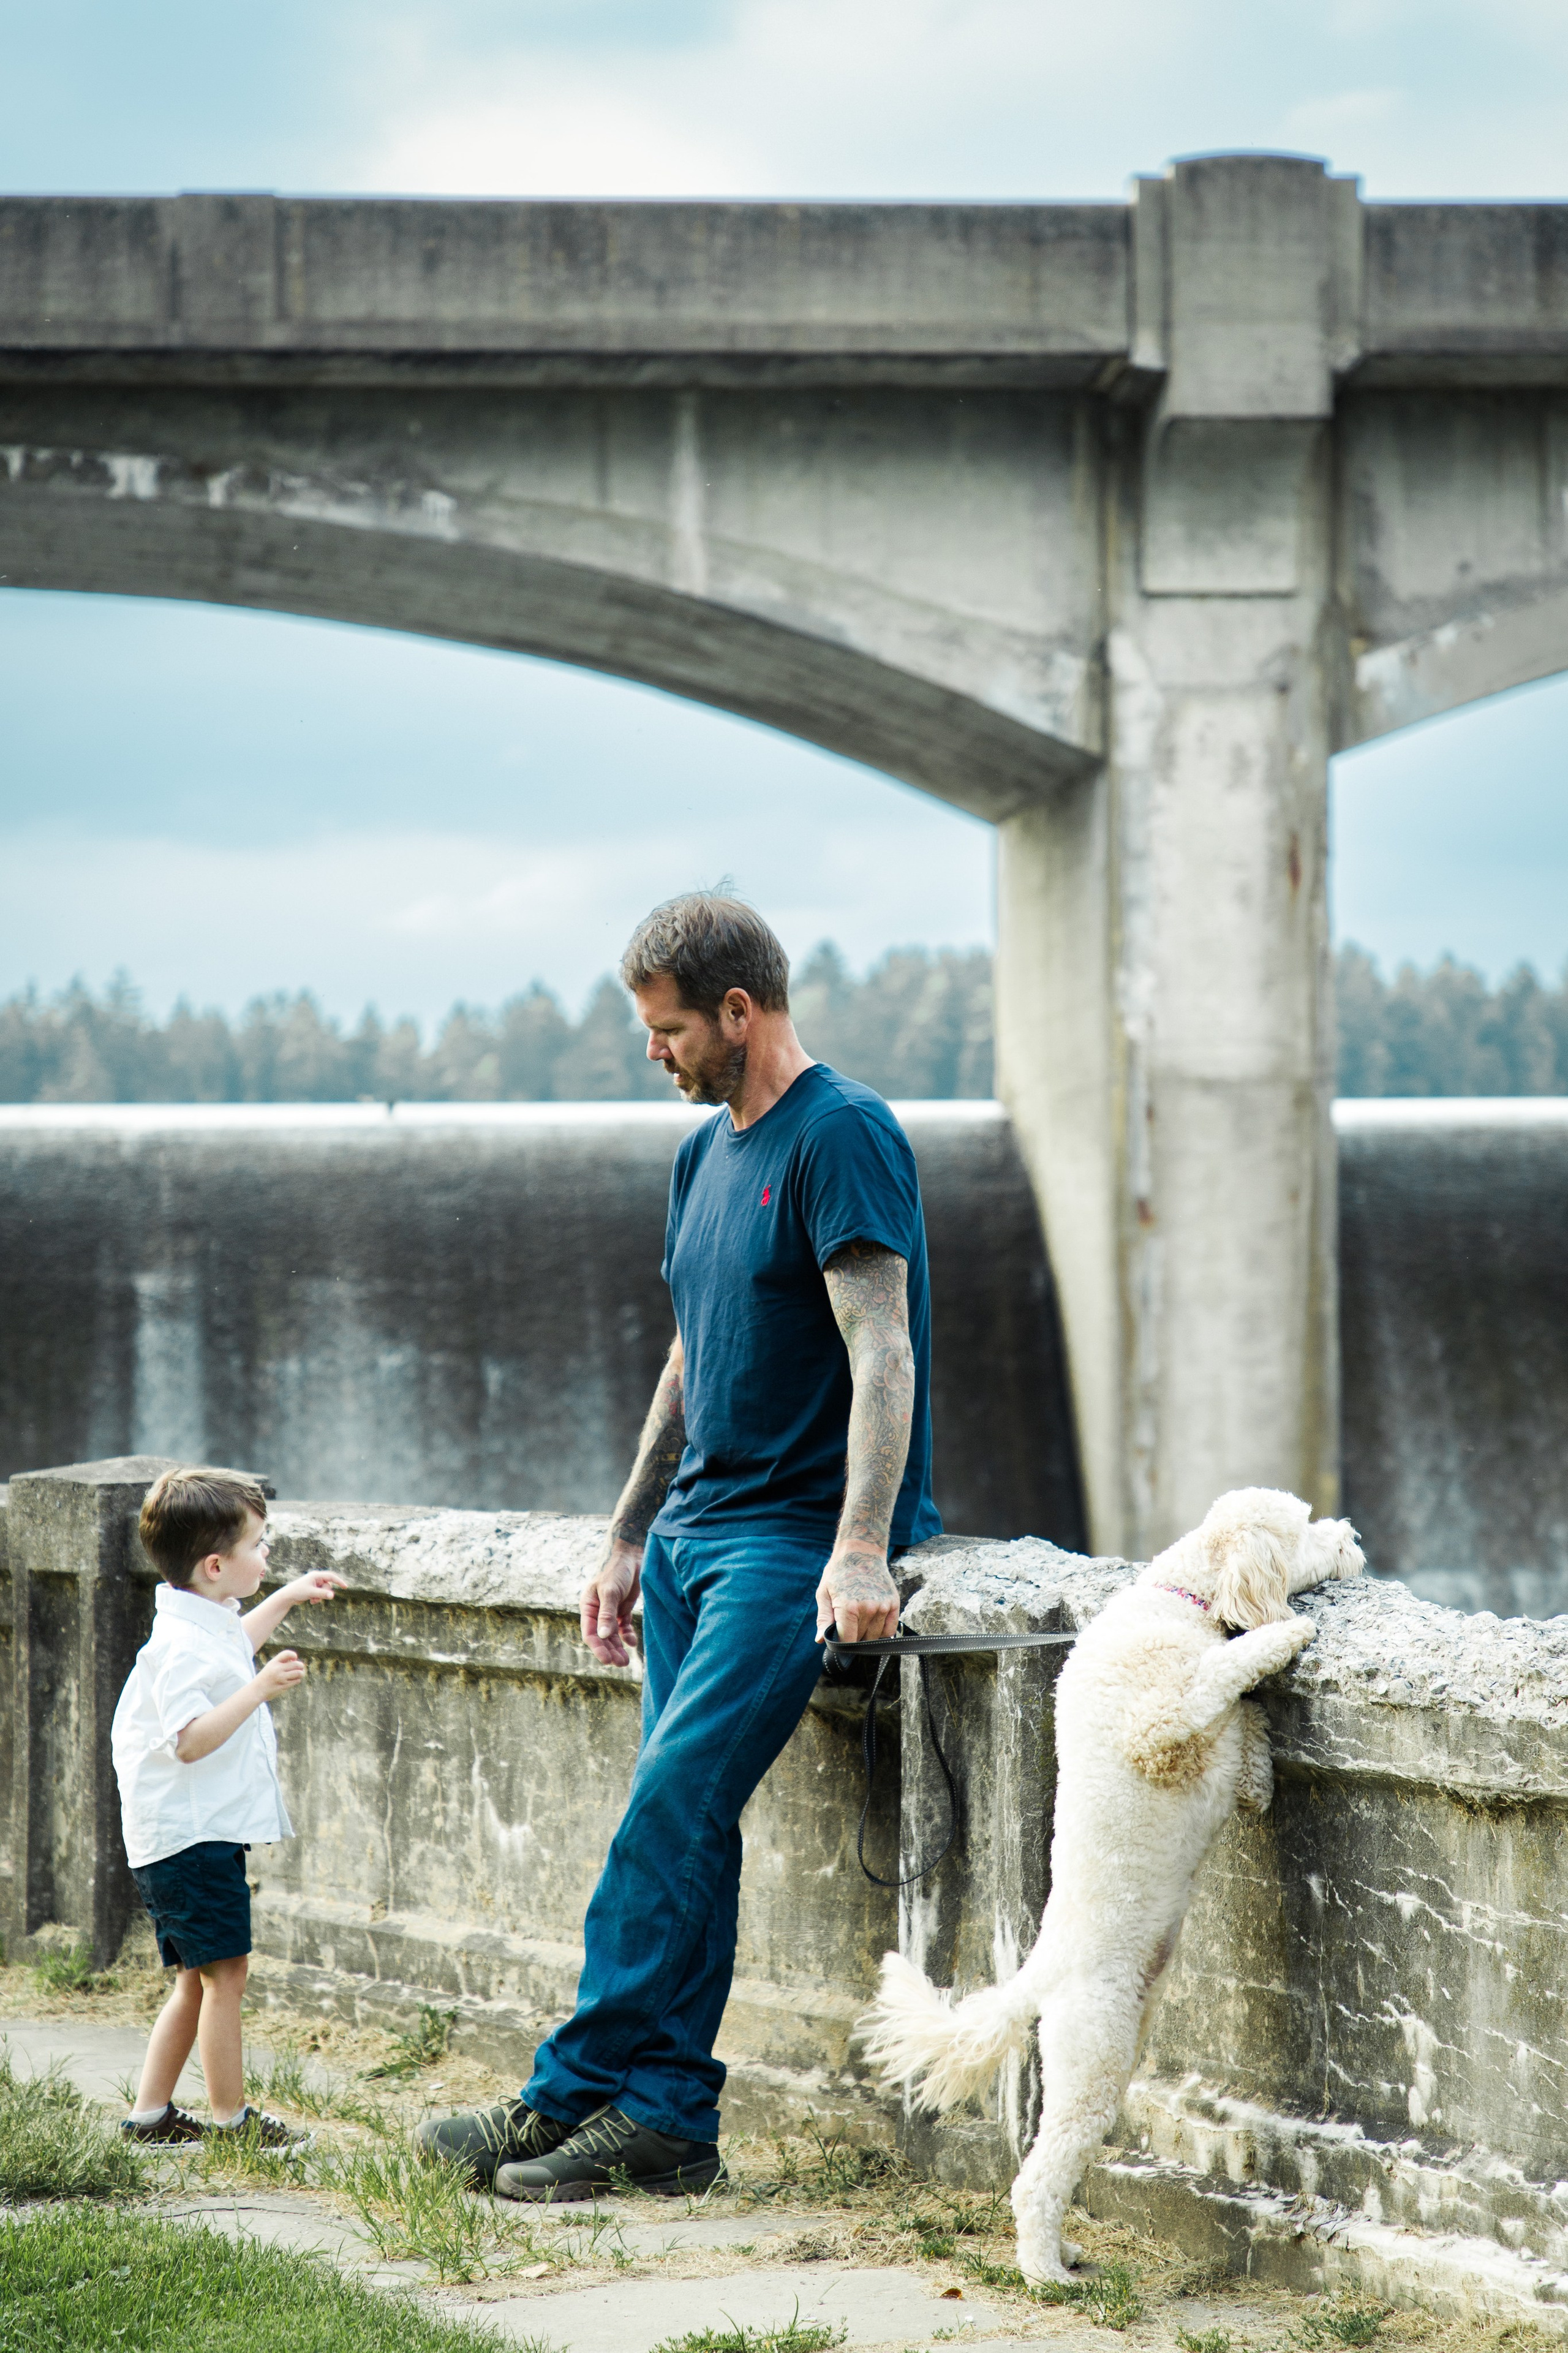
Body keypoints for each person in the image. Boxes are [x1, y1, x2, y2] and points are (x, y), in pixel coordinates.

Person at [421, 892, 941, 2199]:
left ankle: (565, 2093)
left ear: (738, 1010)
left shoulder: (843, 1134)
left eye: (666, 1030)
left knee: (668, 1806)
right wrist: (622, 1533)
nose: (654, 1053)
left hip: (785, 1549)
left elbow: (881, 1341)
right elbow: (686, 1354)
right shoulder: (703, 1155)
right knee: (691, 1830)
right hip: (691, 1536)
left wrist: (861, 1550)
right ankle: (665, 2121)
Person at [110, 1465, 345, 2143]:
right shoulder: (180, 1647)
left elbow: (234, 1649)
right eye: (260, 1547)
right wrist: (261, 1690)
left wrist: (287, 1599)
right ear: (217, 1564)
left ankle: (150, 2116)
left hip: (186, 1834)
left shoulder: (201, 1621)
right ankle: (230, 2120)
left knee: (197, 1977)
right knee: (226, 1976)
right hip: (190, 1837)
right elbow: (189, 1741)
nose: (266, 1556)